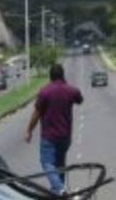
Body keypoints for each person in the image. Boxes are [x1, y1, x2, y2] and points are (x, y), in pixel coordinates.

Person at [24, 63, 84, 193]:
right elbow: (80, 99)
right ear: (63, 75)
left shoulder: (45, 92)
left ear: (50, 76)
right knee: (60, 164)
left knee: (47, 162)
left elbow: (36, 113)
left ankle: (59, 188)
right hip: (65, 136)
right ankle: (59, 192)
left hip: (49, 136)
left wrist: (29, 130)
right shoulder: (71, 90)